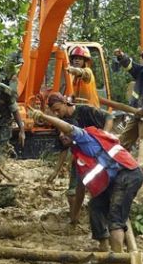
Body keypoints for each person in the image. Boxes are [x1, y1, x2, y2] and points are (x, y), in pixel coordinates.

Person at [28, 107, 143, 255]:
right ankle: (103, 246)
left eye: (64, 133)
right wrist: (73, 218)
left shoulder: (85, 136)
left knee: (116, 219)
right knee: (95, 205)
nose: (62, 136)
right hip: (115, 180)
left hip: (128, 174)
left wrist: (44, 117)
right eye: (60, 134)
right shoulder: (79, 158)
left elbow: (68, 128)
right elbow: (80, 190)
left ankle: (117, 260)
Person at [46, 92, 113, 225]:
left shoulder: (85, 111)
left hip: (97, 156)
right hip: (80, 159)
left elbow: (109, 117)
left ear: (65, 103)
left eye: (58, 110)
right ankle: (74, 221)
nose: (57, 114)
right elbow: (63, 148)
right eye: (54, 112)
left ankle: (104, 221)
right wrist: (55, 171)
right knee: (73, 192)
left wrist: (104, 137)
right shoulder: (62, 122)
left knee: (101, 190)